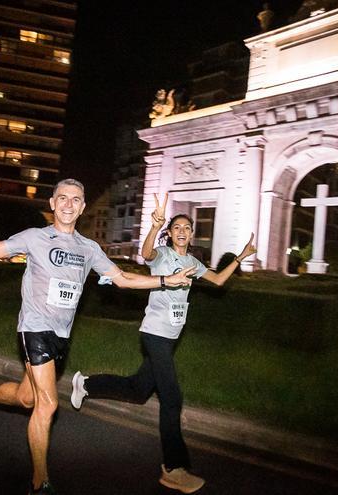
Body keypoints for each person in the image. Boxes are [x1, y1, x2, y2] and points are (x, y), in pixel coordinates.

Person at [0, 176, 196, 495]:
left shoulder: (89, 249)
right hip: (34, 328)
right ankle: (39, 482)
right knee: (47, 405)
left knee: (27, 398)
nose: (69, 203)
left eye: (76, 199)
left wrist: (166, 281)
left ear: (83, 207)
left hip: (61, 336)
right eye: (63, 198)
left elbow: (124, 278)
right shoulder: (35, 237)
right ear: (52, 203)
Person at [69, 193, 256, 494]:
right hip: (154, 333)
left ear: (192, 234)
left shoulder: (193, 261)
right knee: (172, 399)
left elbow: (219, 280)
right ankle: (173, 467)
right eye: (177, 227)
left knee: (139, 389)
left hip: (170, 338)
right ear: (171, 233)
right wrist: (155, 226)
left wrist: (240, 257)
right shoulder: (164, 255)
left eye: (187, 228)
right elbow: (146, 253)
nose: (182, 232)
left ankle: (87, 384)